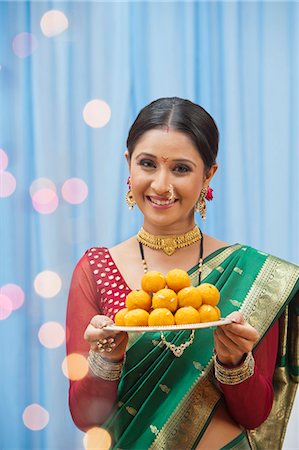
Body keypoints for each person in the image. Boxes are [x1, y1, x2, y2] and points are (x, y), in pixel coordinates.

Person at [66, 97, 299, 450]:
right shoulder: (96, 269)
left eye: (180, 168)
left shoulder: (252, 274)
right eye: (147, 164)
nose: (161, 185)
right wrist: (106, 359)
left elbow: (255, 415)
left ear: (209, 174)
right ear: (128, 166)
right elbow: (87, 418)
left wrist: (234, 361)